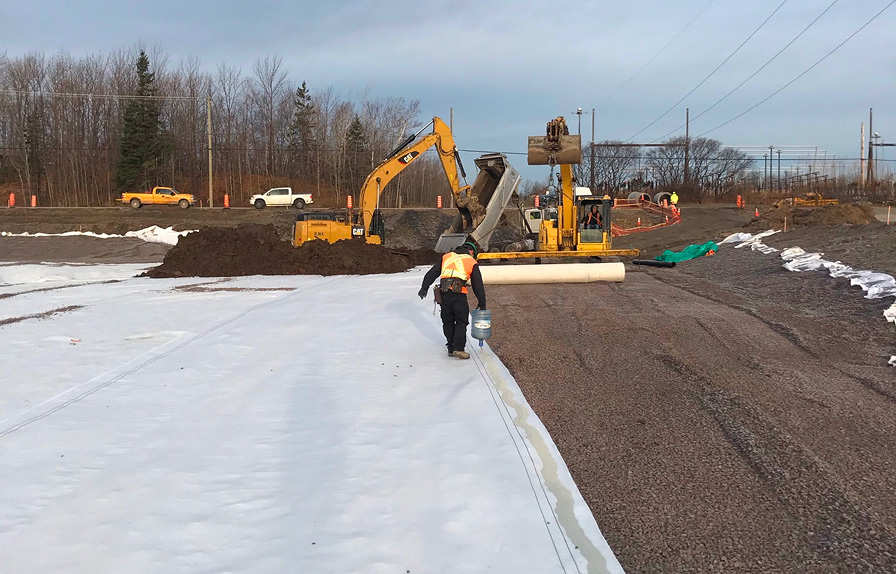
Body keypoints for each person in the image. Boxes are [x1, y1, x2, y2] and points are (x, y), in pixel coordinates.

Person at [417, 241, 486, 360]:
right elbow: (477, 285)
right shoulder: (471, 261)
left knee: (448, 321)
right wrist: (482, 303)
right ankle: (458, 349)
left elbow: (432, 273)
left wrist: (424, 287)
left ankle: (450, 347)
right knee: (461, 321)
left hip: (444, 293)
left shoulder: (447, 256)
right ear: (471, 251)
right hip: (458, 294)